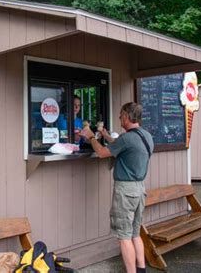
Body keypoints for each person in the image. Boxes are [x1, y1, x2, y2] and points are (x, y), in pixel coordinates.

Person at [80, 102, 153, 273]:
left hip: (125, 192)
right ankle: (141, 269)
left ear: (127, 116)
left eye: (121, 115)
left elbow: (102, 153)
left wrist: (91, 136)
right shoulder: (145, 136)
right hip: (140, 189)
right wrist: (105, 135)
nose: (119, 117)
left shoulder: (127, 138)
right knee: (135, 233)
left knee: (124, 237)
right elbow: (122, 146)